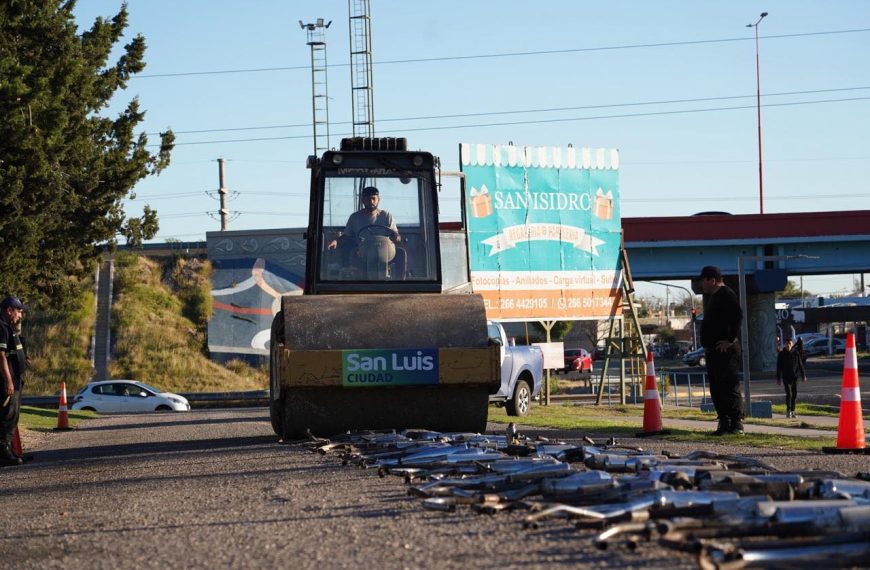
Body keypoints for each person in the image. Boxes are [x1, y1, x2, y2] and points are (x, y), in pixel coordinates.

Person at [698, 266, 744, 435]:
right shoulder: (714, 297)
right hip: (714, 352)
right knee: (717, 388)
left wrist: (730, 340)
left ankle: (736, 424)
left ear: (712, 280)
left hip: (725, 352)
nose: (702, 284)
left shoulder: (726, 294)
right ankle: (724, 422)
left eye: (703, 280)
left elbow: (738, 315)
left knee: (729, 386)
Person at [327, 186, 405, 278]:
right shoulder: (355, 217)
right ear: (363, 200)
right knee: (353, 253)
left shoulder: (387, 216)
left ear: (378, 200)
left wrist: (396, 237)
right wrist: (336, 241)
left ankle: (400, 282)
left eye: (373, 198)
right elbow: (347, 235)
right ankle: (359, 282)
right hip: (363, 252)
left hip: (386, 251)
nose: (371, 201)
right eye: (368, 199)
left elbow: (396, 234)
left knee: (401, 253)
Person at [0, 296, 28, 466]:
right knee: (7, 417)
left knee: (13, 417)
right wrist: (8, 381)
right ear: (9, 310)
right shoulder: (1, 327)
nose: (20, 315)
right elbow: (1, 356)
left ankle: (10, 451)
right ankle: (3, 454)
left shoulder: (8, 327)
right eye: (18, 311)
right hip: (7, 383)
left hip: (16, 381)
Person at [776, 337, 807, 418]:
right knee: (789, 394)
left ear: (792, 344)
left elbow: (800, 365)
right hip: (786, 377)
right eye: (787, 344)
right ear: (785, 345)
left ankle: (793, 411)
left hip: (795, 377)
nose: (788, 345)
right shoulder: (781, 354)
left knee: (794, 394)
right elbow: (779, 367)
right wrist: (778, 378)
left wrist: (803, 375)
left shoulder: (795, 353)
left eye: (789, 344)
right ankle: (788, 411)